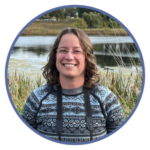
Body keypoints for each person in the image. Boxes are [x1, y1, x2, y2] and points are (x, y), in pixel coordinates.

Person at [22, 27, 125, 143]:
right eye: (63, 50)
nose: (69, 57)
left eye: (77, 51)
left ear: (87, 57)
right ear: (55, 55)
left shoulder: (107, 99)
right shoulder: (36, 99)